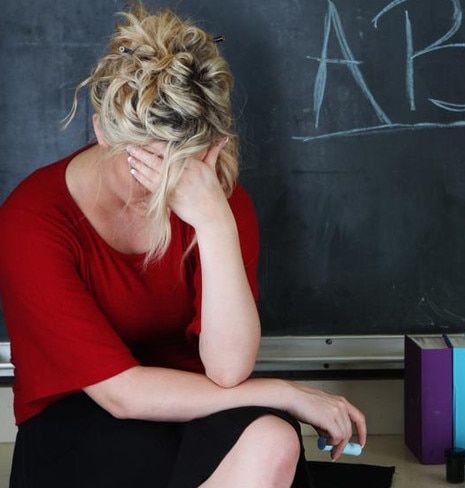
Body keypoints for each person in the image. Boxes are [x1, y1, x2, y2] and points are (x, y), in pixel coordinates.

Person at [0, 4, 366, 488]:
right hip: (80, 419)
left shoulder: (212, 196)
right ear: (103, 130)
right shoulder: (33, 219)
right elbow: (121, 396)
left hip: (197, 405)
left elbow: (229, 369)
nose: (162, 187)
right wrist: (284, 392)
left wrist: (216, 224)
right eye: (146, 161)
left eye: (183, 164)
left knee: (275, 441)